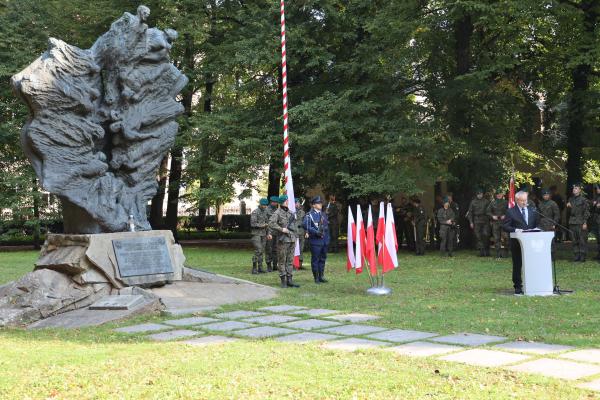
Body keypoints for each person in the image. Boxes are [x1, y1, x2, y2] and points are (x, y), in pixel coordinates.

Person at [502, 191, 540, 295]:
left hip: (532, 243)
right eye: (522, 200)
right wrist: (516, 230)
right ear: (517, 200)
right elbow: (505, 226)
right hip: (517, 243)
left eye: (525, 200)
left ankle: (533, 283)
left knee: (532, 264)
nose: (524, 202)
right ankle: (518, 286)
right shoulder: (511, 212)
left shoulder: (533, 210)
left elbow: (537, 224)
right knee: (517, 265)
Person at [268, 195, 300, 288]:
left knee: (290, 260)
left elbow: (294, 225)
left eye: (287, 201)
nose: (287, 202)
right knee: (282, 260)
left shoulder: (290, 212)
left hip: (292, 239)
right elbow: (271, 223)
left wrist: (295, 235)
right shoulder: (277, 213)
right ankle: (283, 280)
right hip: (283, 240)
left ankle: (290, 280)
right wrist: (281, 229)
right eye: (286, 201)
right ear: (282, 202)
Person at [304, 196, 330, 283]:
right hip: (315, 240)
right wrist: (316, 232)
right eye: (318, 203)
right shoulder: (309, 215)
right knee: (315, 259)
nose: (320, 204)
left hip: (324, 240)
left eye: (321, 203)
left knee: (323, 258)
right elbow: (306, 225)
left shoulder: (323, 214)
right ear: (314, 205)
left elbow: (326, 225)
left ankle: (321, 276)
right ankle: (316, 277)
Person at [567, 183, 590, 262]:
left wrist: (585, 222)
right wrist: (569, 207)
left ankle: (582, 256)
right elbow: (569, 212)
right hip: (572, 222)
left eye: (576, 188)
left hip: (580, 222)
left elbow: (586, 212)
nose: (574, 190)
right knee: (574, 240)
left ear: (580, 190)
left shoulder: (583, 200)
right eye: (573, 188)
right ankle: (576, 256)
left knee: (582, 240)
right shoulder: (571, 199)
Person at [468, 188, 491, 256]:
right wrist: (471, 222)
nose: (479, 195)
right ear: (476, 194)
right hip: (476, 220)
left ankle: (487, 250)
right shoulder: (473, 202)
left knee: (486, 235)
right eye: (478, 194)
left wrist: (490, 220)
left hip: (485, 219)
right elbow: (470, 213)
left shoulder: (486, 201)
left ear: (482, 194)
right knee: (478, 236)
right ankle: (481, 251)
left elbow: (489, 211)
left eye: (481, 194)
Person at [538, 188, 560, 258]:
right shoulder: (540, 204)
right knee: (542, 241)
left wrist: (554, 224)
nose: (546, 196)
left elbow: (557, 215)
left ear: (549, 195)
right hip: (541, 225)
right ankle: (544, 255)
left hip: (550, 224)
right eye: (544, 195)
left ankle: (552, 256)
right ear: (542, 196)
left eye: (547, 195)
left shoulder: (553, 203)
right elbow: (538, 215)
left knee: (551, 241)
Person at [486, 189, 508, 259]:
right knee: (496, 238)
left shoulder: (506, 202)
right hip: (496, 223)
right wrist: (492, 216)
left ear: (502, 195)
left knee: (506, 237)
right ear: (496, 195)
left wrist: (505, 215)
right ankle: (498, 253)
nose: (499, 195)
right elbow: (488, 211)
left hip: (504, 222)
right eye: (498, 194)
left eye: (500, 194)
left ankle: (505, 253)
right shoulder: (493, 203)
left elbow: (510, 211)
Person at [249, 198, 269, 274]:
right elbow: (253, 224)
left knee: (262, 251)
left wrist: (268, 233)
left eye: (265, 205)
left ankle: (260, 267)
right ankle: (254, 268)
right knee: (258, 250)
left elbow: (267, 222)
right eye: (263, 205)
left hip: (263, 234)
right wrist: (262, 225)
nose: (264, 206)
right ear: (260, 204)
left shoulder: (265, 212)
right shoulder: (255, 212)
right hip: (256, 234)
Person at [265, 195, 279, 272]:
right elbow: (266, 222)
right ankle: (269, 265)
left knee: (276, 249)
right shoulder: (266, 210)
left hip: (277, 232)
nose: (275, 203)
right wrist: (268, 232)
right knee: (269, 249)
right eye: (274, 202)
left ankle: (275, 265)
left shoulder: (278, 210)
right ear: (271, 202)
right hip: (269, 232)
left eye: (276, 202)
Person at [295, 198, 306, 269]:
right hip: (294, 233)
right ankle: (294, 264)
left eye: (298, 203)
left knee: (301, 248)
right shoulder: (290, 212)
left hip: (301, 232)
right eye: (296, 203)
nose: (298, 204)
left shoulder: (302, 212)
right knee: (294, 249)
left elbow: (305, 222)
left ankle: (300, 264)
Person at [592, 185, 600, 260]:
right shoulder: (596, 197)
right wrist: (593, 204)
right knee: (598, 238)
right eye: (597, 189)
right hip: (596, 220)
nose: (597, 190)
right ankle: (599, 254)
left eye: (598, 188)